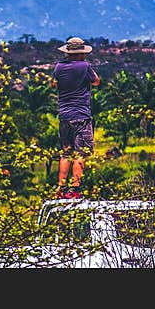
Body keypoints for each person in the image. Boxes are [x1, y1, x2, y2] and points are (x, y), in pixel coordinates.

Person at [50, 36, 100, 199]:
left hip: (64, 116)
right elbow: (96, 81)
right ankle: (75, 189)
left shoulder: (58, 67)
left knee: (65, 153)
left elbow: (53, 84)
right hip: (81, 116)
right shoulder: (85, 66)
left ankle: (61, 188)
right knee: (81, 153)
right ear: (79, 53)